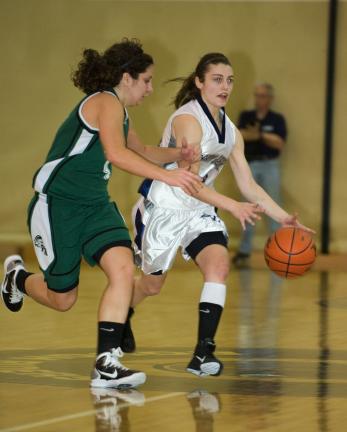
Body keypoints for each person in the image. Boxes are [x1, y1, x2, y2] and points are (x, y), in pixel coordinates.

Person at [0, 38, 201, 389]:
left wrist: (177, 155)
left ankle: (107, 361)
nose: (151, 89)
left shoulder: (121, 113)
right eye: (147, 80)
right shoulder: (104, 102)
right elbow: (117, 156)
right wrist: (171, 175)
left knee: (123, 268)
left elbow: (142, 151)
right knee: (62, 299)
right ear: (127, 77)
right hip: (58, 205)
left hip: (95, 206)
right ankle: (17, 279)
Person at [125, 53, 311, 377]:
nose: (225, 86)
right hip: (165, 206)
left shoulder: (232, 131)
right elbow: (190, 183)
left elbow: (249, 184)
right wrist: (232, 206)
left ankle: (203, 352)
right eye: (217, 79)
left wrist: (282, 218)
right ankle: (123, 310)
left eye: (229, 80)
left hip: (198, 209)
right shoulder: (188, 121)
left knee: (219, 265)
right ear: (199, 82)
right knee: (152, 286)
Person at [232, 83, 287, 268]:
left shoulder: (277, 119)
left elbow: (279, 143)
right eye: (257, 95)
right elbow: (238, 136)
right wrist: (252, 135)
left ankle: (279, 251)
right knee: (248, 209)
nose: (259, 99)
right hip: (250, 165)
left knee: (273, 205)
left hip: (270, 165)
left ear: (270, 99)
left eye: (263, 96)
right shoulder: (246, 116)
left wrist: (260, 135)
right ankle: (244, 251)